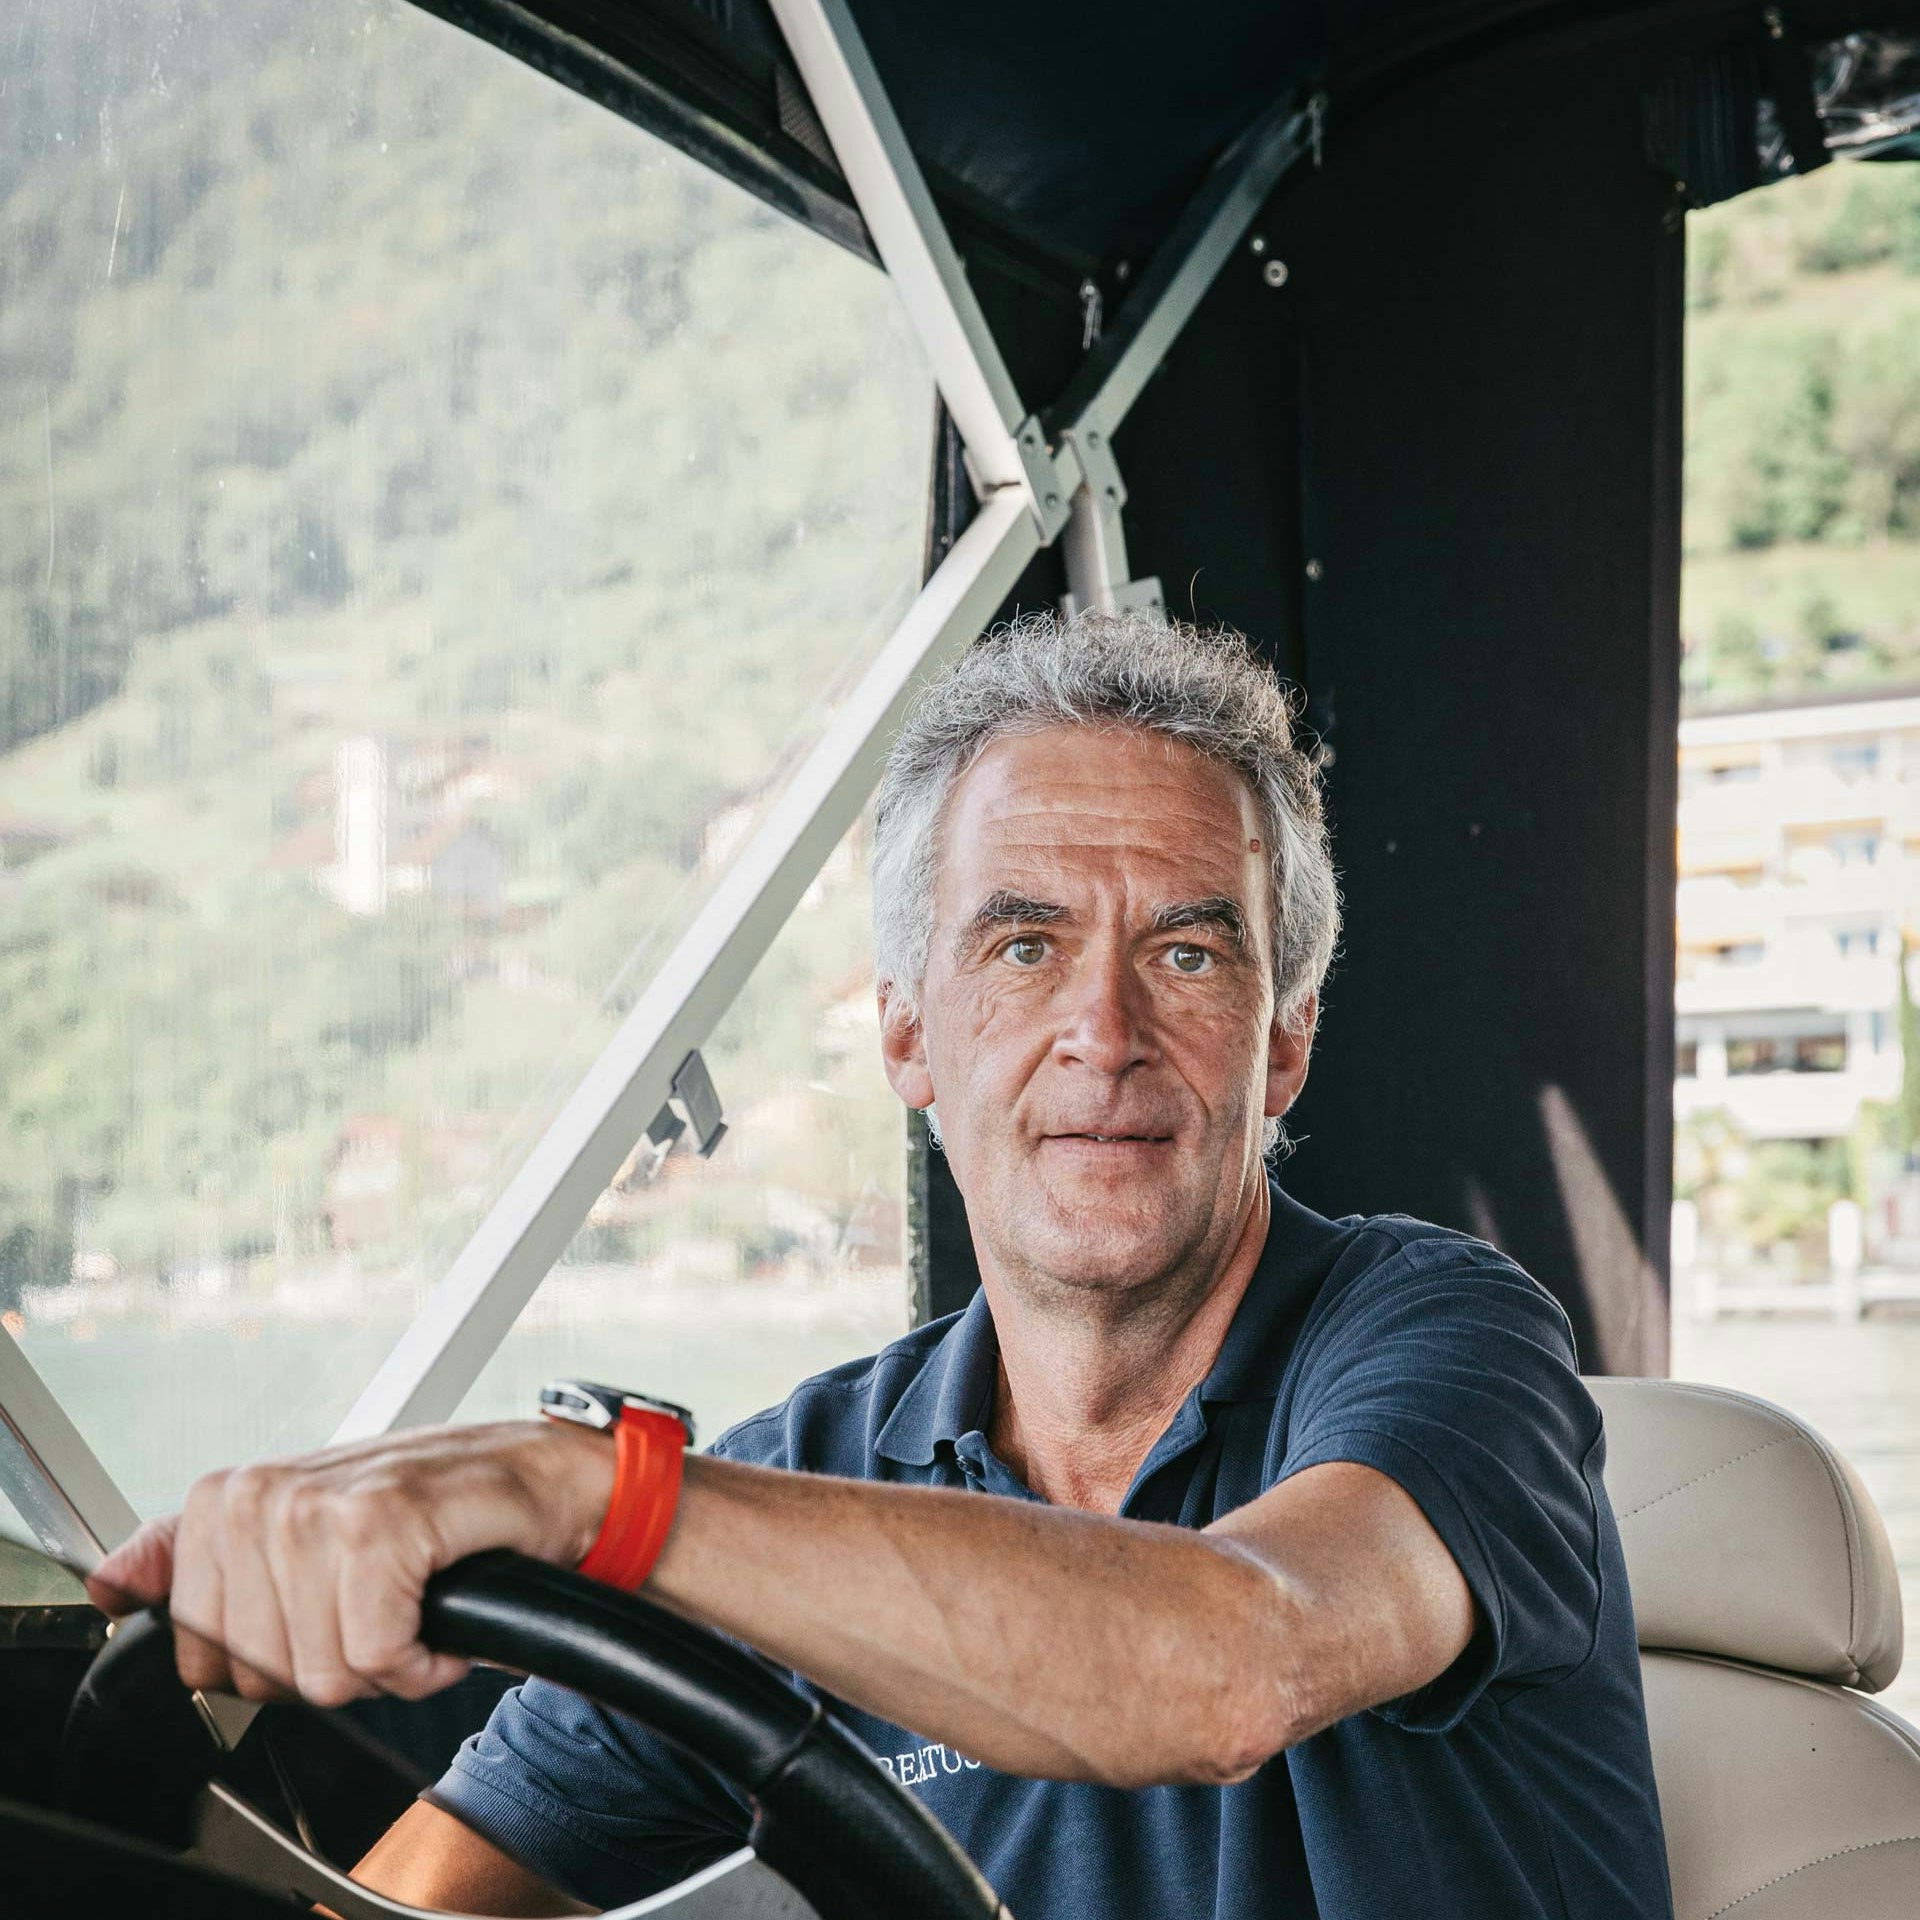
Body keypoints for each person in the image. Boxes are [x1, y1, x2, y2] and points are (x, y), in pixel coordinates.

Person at [92, 611, 1673, 1918]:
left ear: (1286, 1043)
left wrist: (587, 1491)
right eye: (1023, 945)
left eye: (1188, 953)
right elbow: (416, 1903)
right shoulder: (815, 1474)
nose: (1105, 1036)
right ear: (908, 1029)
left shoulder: (1448, 1344)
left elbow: (1227, 1665)